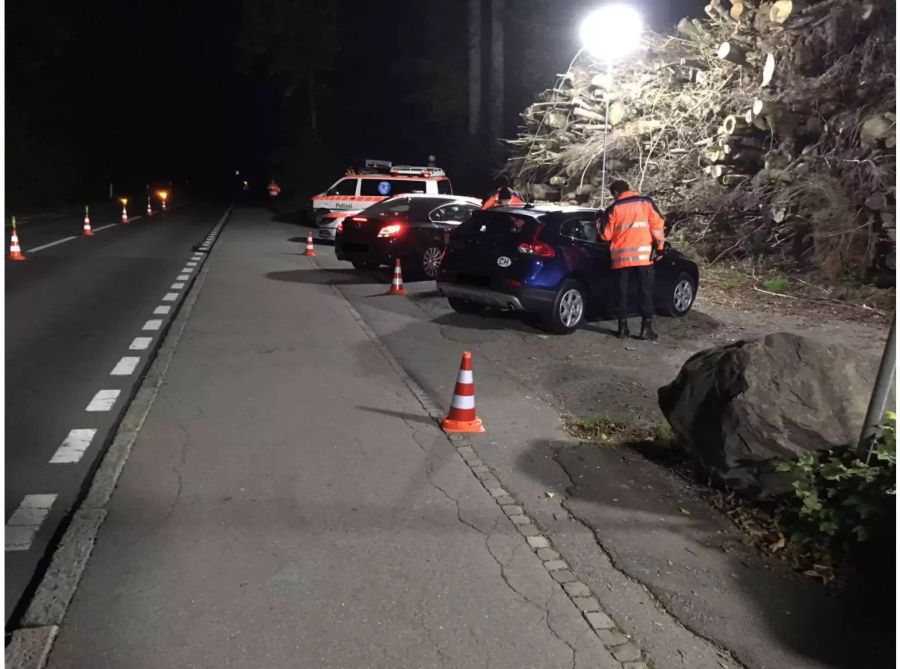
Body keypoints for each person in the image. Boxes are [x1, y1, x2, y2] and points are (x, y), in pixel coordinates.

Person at [600, 179, 666, 341]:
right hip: (644, 258)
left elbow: (606, 236)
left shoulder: (614, 208)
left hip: (621, 259)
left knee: (622, 293)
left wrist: (599, 223)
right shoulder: (645, 202)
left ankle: (623, 329)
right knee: (645, 292)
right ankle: (646, 329)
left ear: (616, 193)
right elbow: (658, 226)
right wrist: (660, 248)